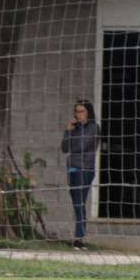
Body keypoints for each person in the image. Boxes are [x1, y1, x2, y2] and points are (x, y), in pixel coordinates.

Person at [61, 99, 101, 250]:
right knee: (78, 203)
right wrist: (68, 131)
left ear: (88, 112)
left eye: (81, 111)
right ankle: (80, 238)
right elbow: (65, 148)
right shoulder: (73, 129)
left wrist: (73, 137)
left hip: (85, 169)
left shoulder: (93, 128)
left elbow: (82, 146)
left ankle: (79, 238)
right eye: (76, 111)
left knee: (79, 202)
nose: (78, 115)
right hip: (72, 169)